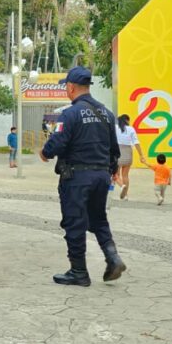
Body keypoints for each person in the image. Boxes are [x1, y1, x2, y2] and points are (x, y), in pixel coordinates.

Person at [37, 66, 126, 287]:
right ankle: (112, 257)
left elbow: (57, 143)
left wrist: (44, 152)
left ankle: (79, 271)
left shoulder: (70, 114)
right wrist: (112, 170)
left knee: (74, 222)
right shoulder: (107, 113)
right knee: (98, 219)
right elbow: (114, 149)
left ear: (71, 87)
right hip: (101, 176)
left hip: (77, 178)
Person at [115, 114, 145, 200]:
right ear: (127, 120)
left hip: (118, 152)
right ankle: (126, 195)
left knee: (116, 174)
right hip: (128, 152)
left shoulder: (115, 128)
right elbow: (136, 142)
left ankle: (122, 186)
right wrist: (141, 155)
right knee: (125, 176)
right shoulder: (131, 129)